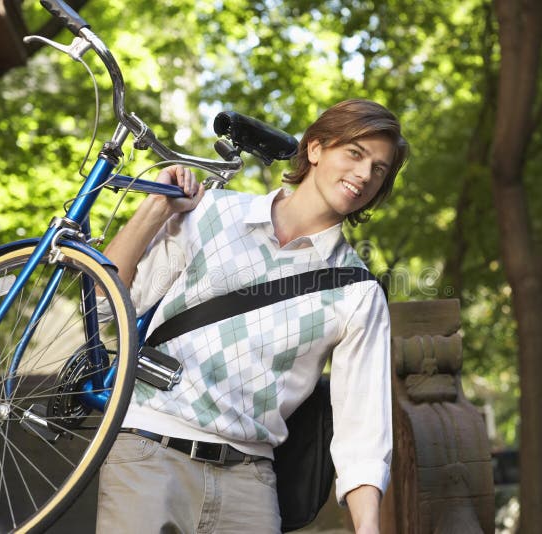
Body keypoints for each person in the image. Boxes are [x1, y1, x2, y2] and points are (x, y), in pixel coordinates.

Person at [96, 99, 409, 534]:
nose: (363, 174)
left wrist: (369, 528)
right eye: (354, 153)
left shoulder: (358, 291)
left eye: (378, 169)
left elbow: (363, 426)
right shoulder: (212, 213)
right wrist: (154, 210)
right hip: (149, 450)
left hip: (249, 482)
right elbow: (104, 306)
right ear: (315, 149)